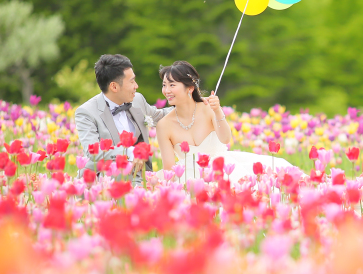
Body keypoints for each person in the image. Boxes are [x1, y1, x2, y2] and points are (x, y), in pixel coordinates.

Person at [155, 60, 293, 183]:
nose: (166, 91)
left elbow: (225, 138)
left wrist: (217, 111)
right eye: (164, 85)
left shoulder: (208, 108)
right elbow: (169, 170)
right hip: (189, 178)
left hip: (223, 168)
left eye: (172, 85)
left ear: (190, 88)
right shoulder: (164, 125)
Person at [75, 54, 170, 182]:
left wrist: (195, 104)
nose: (136, 86)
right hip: (105, 182)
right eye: (132, 81)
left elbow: (161, 116)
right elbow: (93, 152)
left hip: (142, 179)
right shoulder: (86, 112)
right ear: (114, 87)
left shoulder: (137, 99)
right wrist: (130, 152)